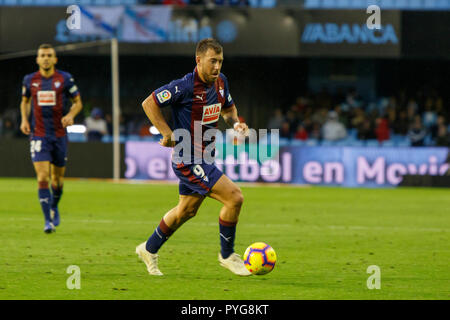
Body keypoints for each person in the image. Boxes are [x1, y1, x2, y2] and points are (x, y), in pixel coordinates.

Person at [136, 38, 251, 276]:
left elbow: (228, 110)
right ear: (198, 60)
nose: (217, 66)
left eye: (220, 61)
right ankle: (228, 255)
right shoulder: (184, 87)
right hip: (188, 158)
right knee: (234, 198)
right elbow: (149, 103)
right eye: (212, 61)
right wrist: (167, 133)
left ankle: (148, 248)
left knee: (186, 211)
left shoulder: (221, 83)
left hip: (206, 156)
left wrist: (237, 124)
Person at [20, 44, 83, 233]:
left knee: (57, 179)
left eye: (49, 55)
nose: (46, 58)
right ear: (37, 59)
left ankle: (54, 206)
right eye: (42, 55)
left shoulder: (64, 78)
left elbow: (78, 102)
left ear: (55, 59)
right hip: (39, 135)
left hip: (59, 135)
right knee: (42, 176)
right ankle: (47, 221)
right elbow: (25, 101)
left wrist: (71, 115)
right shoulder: (30, 80)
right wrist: (24, 119)